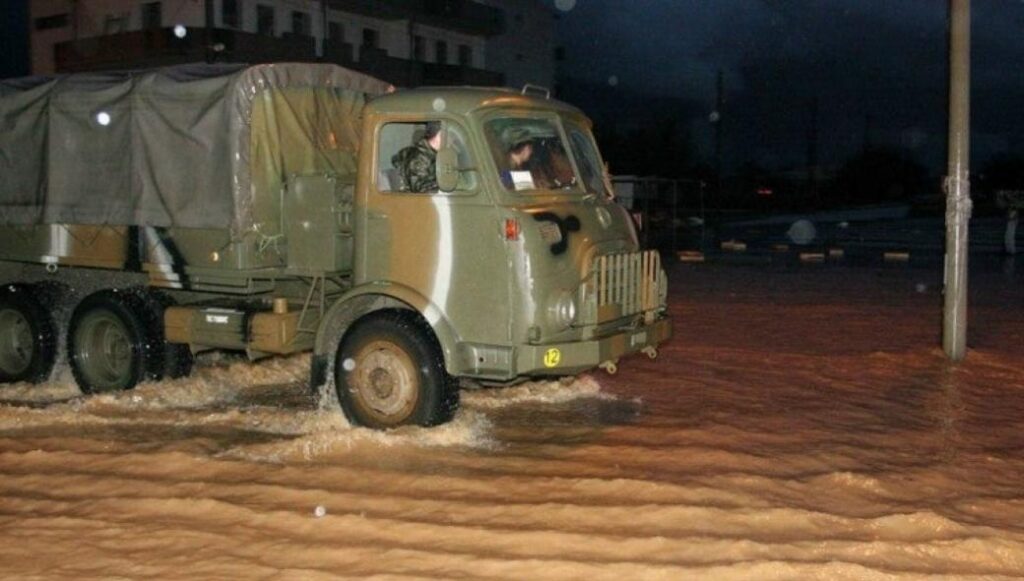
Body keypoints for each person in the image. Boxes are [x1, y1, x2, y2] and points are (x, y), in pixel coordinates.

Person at [392, 121, 442, 193]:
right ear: (439, 135)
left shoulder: (432, 154)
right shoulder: (418, 158)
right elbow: (422, 188)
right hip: (415, 202)